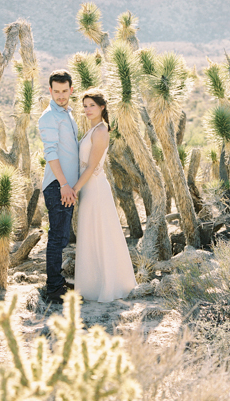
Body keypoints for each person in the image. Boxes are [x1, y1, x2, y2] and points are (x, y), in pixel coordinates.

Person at [72, 89, 137, 302]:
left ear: (102, 107)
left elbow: (91, 166)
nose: (87, 109)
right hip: (89, 188)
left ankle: (109, 285)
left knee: (100, 232)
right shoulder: (92, 130)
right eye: (85, 106)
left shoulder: (101, 131)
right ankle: (92, 284)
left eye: (92, 105)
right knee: (91, 233)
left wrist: (74, 189)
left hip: (95, 188)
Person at [38, 70, 79, 303]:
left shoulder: (66, 114)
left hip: (66, 185)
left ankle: (58, 281)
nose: (61, 96)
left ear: (71, 90)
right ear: (50, 91)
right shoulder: (49, 117)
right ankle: (54, 288)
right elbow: (51, 153)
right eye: (57, 91)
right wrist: (64, 183)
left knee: (62, 236)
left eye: (65, 91)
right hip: (58, 185)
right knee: (57, 237)